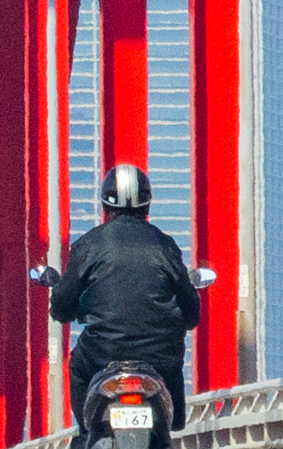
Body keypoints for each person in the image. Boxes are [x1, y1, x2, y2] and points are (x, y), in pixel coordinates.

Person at [45, 166, 203, 416]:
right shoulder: (165, 245)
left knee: (77, 367)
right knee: (173, 364)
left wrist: (70, 309)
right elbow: (192, 312)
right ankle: (171, 425)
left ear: (105, 207)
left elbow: (62, 306)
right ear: (147, 207)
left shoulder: (88, 245)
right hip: (158, 355)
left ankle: (85, 434)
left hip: (103, 352)